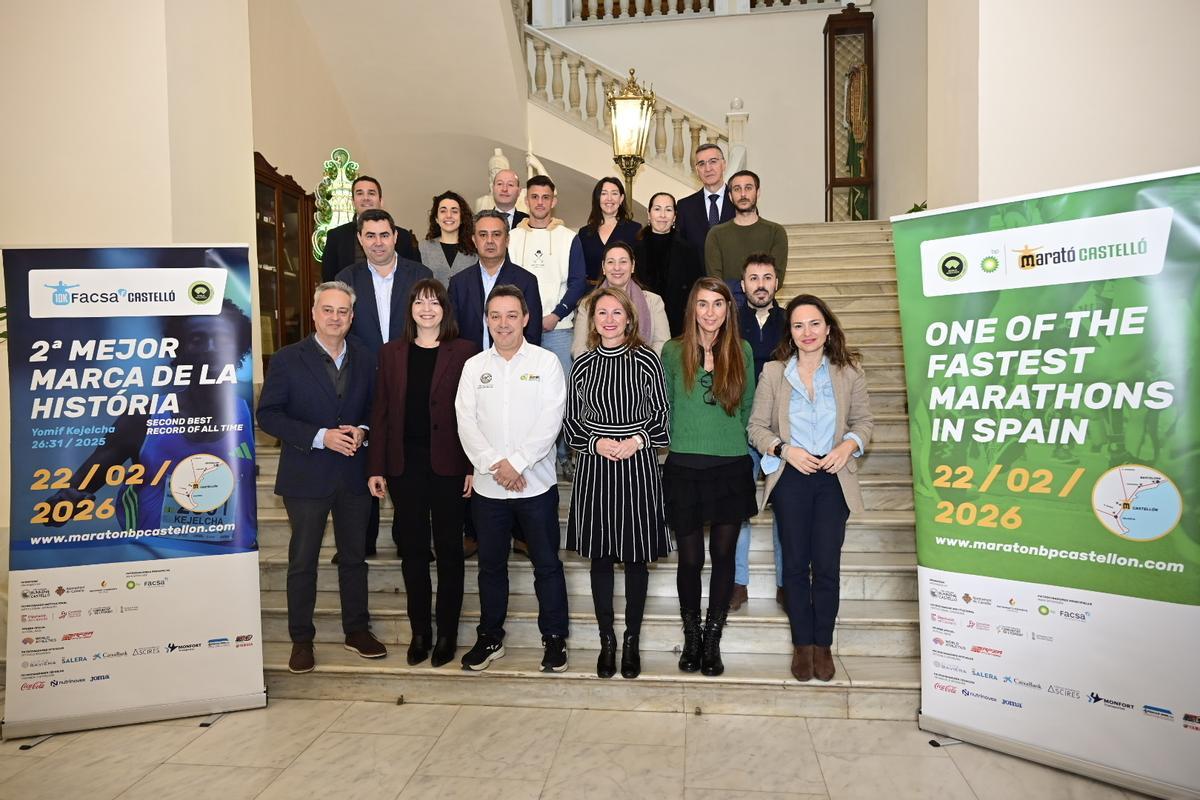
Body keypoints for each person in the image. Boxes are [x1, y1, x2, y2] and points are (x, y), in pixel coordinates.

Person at [256, 281, 387, 674]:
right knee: (302, 561)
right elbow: (269, 415)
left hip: (353, 473)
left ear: (352, 317)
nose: (335, 317)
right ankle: (301, 640)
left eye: (343, 311)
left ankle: (357, 631)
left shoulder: (366, 356)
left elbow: (374, 406)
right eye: (328, 310)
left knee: (354, 558)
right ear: (314, 314)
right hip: (306, 476)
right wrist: (320, 437)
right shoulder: (286, 359)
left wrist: (363, 429)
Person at [748, 294, 873, 684]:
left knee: (828, 567)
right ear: (791, 332)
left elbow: (865, 422)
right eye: (799, 325)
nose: (807, 332)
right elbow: (756, 428)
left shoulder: (849, 372)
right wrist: (785, 450)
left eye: (814, 323)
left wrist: (847, 446)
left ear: (828, 328)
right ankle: (803, 646)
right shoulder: (773, 372)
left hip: (833, 479)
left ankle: (824, 645)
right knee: (796, 567)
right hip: (792, 479)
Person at [455, 285, 570, 673]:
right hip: (489, 489)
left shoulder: (546, 362)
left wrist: (517, 464)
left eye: (511, 315)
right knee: (490, 567)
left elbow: (551, 419)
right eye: (495, 316)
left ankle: (554, 640)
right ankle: (490, 637)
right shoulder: (474, 367)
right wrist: (495, 465)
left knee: (547, 566)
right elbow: (466, 423)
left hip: (535, 485)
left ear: (525, 319)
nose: (503, 323)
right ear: (487, 321)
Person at [367, 279, 479, 668]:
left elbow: (472, 415)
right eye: (419, 302)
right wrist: (376, 467)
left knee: (450, 551)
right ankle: (421, 633)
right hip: (404, 466)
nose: (426, 309)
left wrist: (471, 466)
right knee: (413, 552)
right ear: (410, 309)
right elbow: (381, 412)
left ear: (445, 309)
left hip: (449, 465)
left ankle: (447, 634)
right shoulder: (392, 353)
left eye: (434, 302)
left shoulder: (465, 352)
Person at [564, 287, 671, 679]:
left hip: (637, 464)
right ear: (593, 321)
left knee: (636, 556)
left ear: (630, 318)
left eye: (616, 313)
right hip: (595, 464)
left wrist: (635, 441)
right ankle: (606, 639)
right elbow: (571, 422)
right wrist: (599, 442)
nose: (609, 319)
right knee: (602, 558)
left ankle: (631, 640)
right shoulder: (582, 364)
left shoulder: (647, 360)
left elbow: (662, 416)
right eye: (601, 313)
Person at [660, 278, 757, 677]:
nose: (711, 312)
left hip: (730, 465)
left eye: (718, 304)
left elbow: (748, 404)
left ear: (728, 309)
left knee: (722, 557)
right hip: (683, 464)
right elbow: (663, 404)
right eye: (703, 304)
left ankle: (713, 637)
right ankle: (692, 635)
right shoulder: (672, 350)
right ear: (692, 308)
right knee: (690, 558)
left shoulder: (743, 351)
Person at [335, 207, 433, 557]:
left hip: (408, 375)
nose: (378, 242)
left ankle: (410, 537)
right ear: (360, 239)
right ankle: (363, 539)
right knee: (364, 456)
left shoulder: (419, 274)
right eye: (370, 235)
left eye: (384, 235)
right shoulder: (346, 278)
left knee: (408, 458)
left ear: (396, 237)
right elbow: (341, 326)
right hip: (361, 378)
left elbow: (428, 320)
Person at [508, 174, 587, 472]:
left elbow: (579, 281)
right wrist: (522, 318)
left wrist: (556, 313)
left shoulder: (569, 236)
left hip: (560, 326)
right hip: (520, 330)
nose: (539, 203)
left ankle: (564, 455)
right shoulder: (513, 237)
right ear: (525, 200)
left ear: (553, 200)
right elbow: (508, 280)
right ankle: (525, 453)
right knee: (525, 393)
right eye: (534, 197)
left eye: (545, 197)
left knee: (561, 392)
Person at [730, 254, 789, 612]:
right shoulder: (730, 322)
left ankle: (785, 583)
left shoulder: (791, 322)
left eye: (767, 277)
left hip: (783, 432)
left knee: (785, 508)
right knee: (739, 509)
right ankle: (738, 581)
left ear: (776, 283)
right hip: (741, 428)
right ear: (743, 284)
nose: (761, 284)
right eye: (754, 278)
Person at [448, 210, 543, 350]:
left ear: (507, 240)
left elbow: (532, 334)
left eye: (496, 234)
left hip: (513, 364)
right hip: (469, 365)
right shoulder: (458, 282)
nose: (490, 241)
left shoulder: (527, 281)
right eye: (483, 235)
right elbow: (451, 332)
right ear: (474, 240)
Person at [571, 242, 669, 358]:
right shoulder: (587, 304)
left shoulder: (653, 301)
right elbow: (579, 349)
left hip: (642, 370)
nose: (617, 268)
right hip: (599, 371)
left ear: (632, 266)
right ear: (603, 267)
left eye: (623, 262)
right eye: (611, 262)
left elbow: (663, 343)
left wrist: (641, 364)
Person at [704, 170, 788, 300]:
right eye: (737, 189)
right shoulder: (716, 234)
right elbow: (715, 282)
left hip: (764, 308)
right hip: (729, 309)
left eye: (748, 188)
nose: (743, 194)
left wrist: (736, 286)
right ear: (730, 196)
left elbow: (777, 279)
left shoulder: (776, 232)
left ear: (758, 192)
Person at [632, 191, 704, 337]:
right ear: (649, 213)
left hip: (679, 325)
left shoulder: (688, 250)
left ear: (675, 216)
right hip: (641, 321)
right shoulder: (633, 250)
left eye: (668, 210)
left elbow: (696, 289)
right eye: (657, 209)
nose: (663, 215)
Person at [322, 175, 418, 282]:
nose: (366, 198)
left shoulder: (403, 236)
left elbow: (413, 277)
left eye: (371, 193)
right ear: (353, 201)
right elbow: (329, 282)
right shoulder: (336, 236)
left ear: (381, 201)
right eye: (360, 193)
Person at [675, 143, 734, 262]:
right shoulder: (684, 207)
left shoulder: (740, 203)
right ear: (697, 170)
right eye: (702, 164)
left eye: (713, 161)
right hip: (698, 279)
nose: (708, 168)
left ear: (723, 165)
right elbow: (680, 250)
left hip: (735, 279)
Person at [576, 177, 642, 283]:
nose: (609, 198)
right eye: (604, 193)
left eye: (614, 193)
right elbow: (578, 271)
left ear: (621, 199)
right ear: (598, 199)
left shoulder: (634, 229)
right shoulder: (584, 233)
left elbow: (639, 269)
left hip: (623, 293)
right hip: (591, 294)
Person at [418, 190, 477, 286]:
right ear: (436, 218)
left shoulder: (475, 248)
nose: (448, 215)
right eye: (443, 211)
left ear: (462, 218)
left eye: (454, 211)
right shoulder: (423, 248)